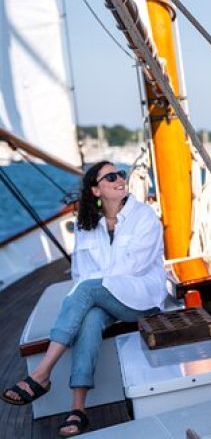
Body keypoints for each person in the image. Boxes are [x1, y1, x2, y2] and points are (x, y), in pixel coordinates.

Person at [1, 161, 166, 437]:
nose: (120, 179)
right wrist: (90, 290)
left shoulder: (144, 217)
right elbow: (80, 271)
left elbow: (132, 269)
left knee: (88, 290)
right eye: (111, 176)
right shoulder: (86, 224)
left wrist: (91, 287)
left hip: (140, 297)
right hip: (105, 296)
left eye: (121, 174)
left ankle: (41, 374)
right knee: (88, 319)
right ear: (96, 189)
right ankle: (78, 408)